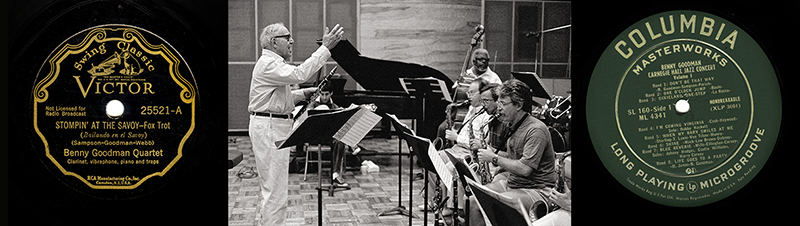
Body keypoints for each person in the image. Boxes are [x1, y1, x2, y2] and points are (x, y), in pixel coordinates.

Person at [248, 22, 343, 226]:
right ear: (274, 42)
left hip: (272, 125)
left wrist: (303, 93)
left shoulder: (270, 64)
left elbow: (273, 98)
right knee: (275, 191)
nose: (292, 41)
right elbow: (300, 74)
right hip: (270, 127)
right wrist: (325, 48)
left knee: (276, 190)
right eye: (287, 37)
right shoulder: (269, 63)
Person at [470, 79, 558, 226]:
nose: (499, 109)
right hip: (514, 183)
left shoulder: (536, 130)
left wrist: (494, 159)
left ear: (519, 105)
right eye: (498, 103)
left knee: (500, 205)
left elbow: (524, 169)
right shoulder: (512, 124)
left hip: (538, 190)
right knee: (474, 200)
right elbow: (513, 157)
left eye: (503, 104)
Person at [437, 48, 501, 147]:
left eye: (486, 60)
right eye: (480, 59)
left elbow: (498, 96)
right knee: (442, 128)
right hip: (464, 111)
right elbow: (454, 92)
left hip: (481, 112)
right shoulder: (466, 74)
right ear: (474, 61)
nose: (484, 62)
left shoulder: (493, 77)